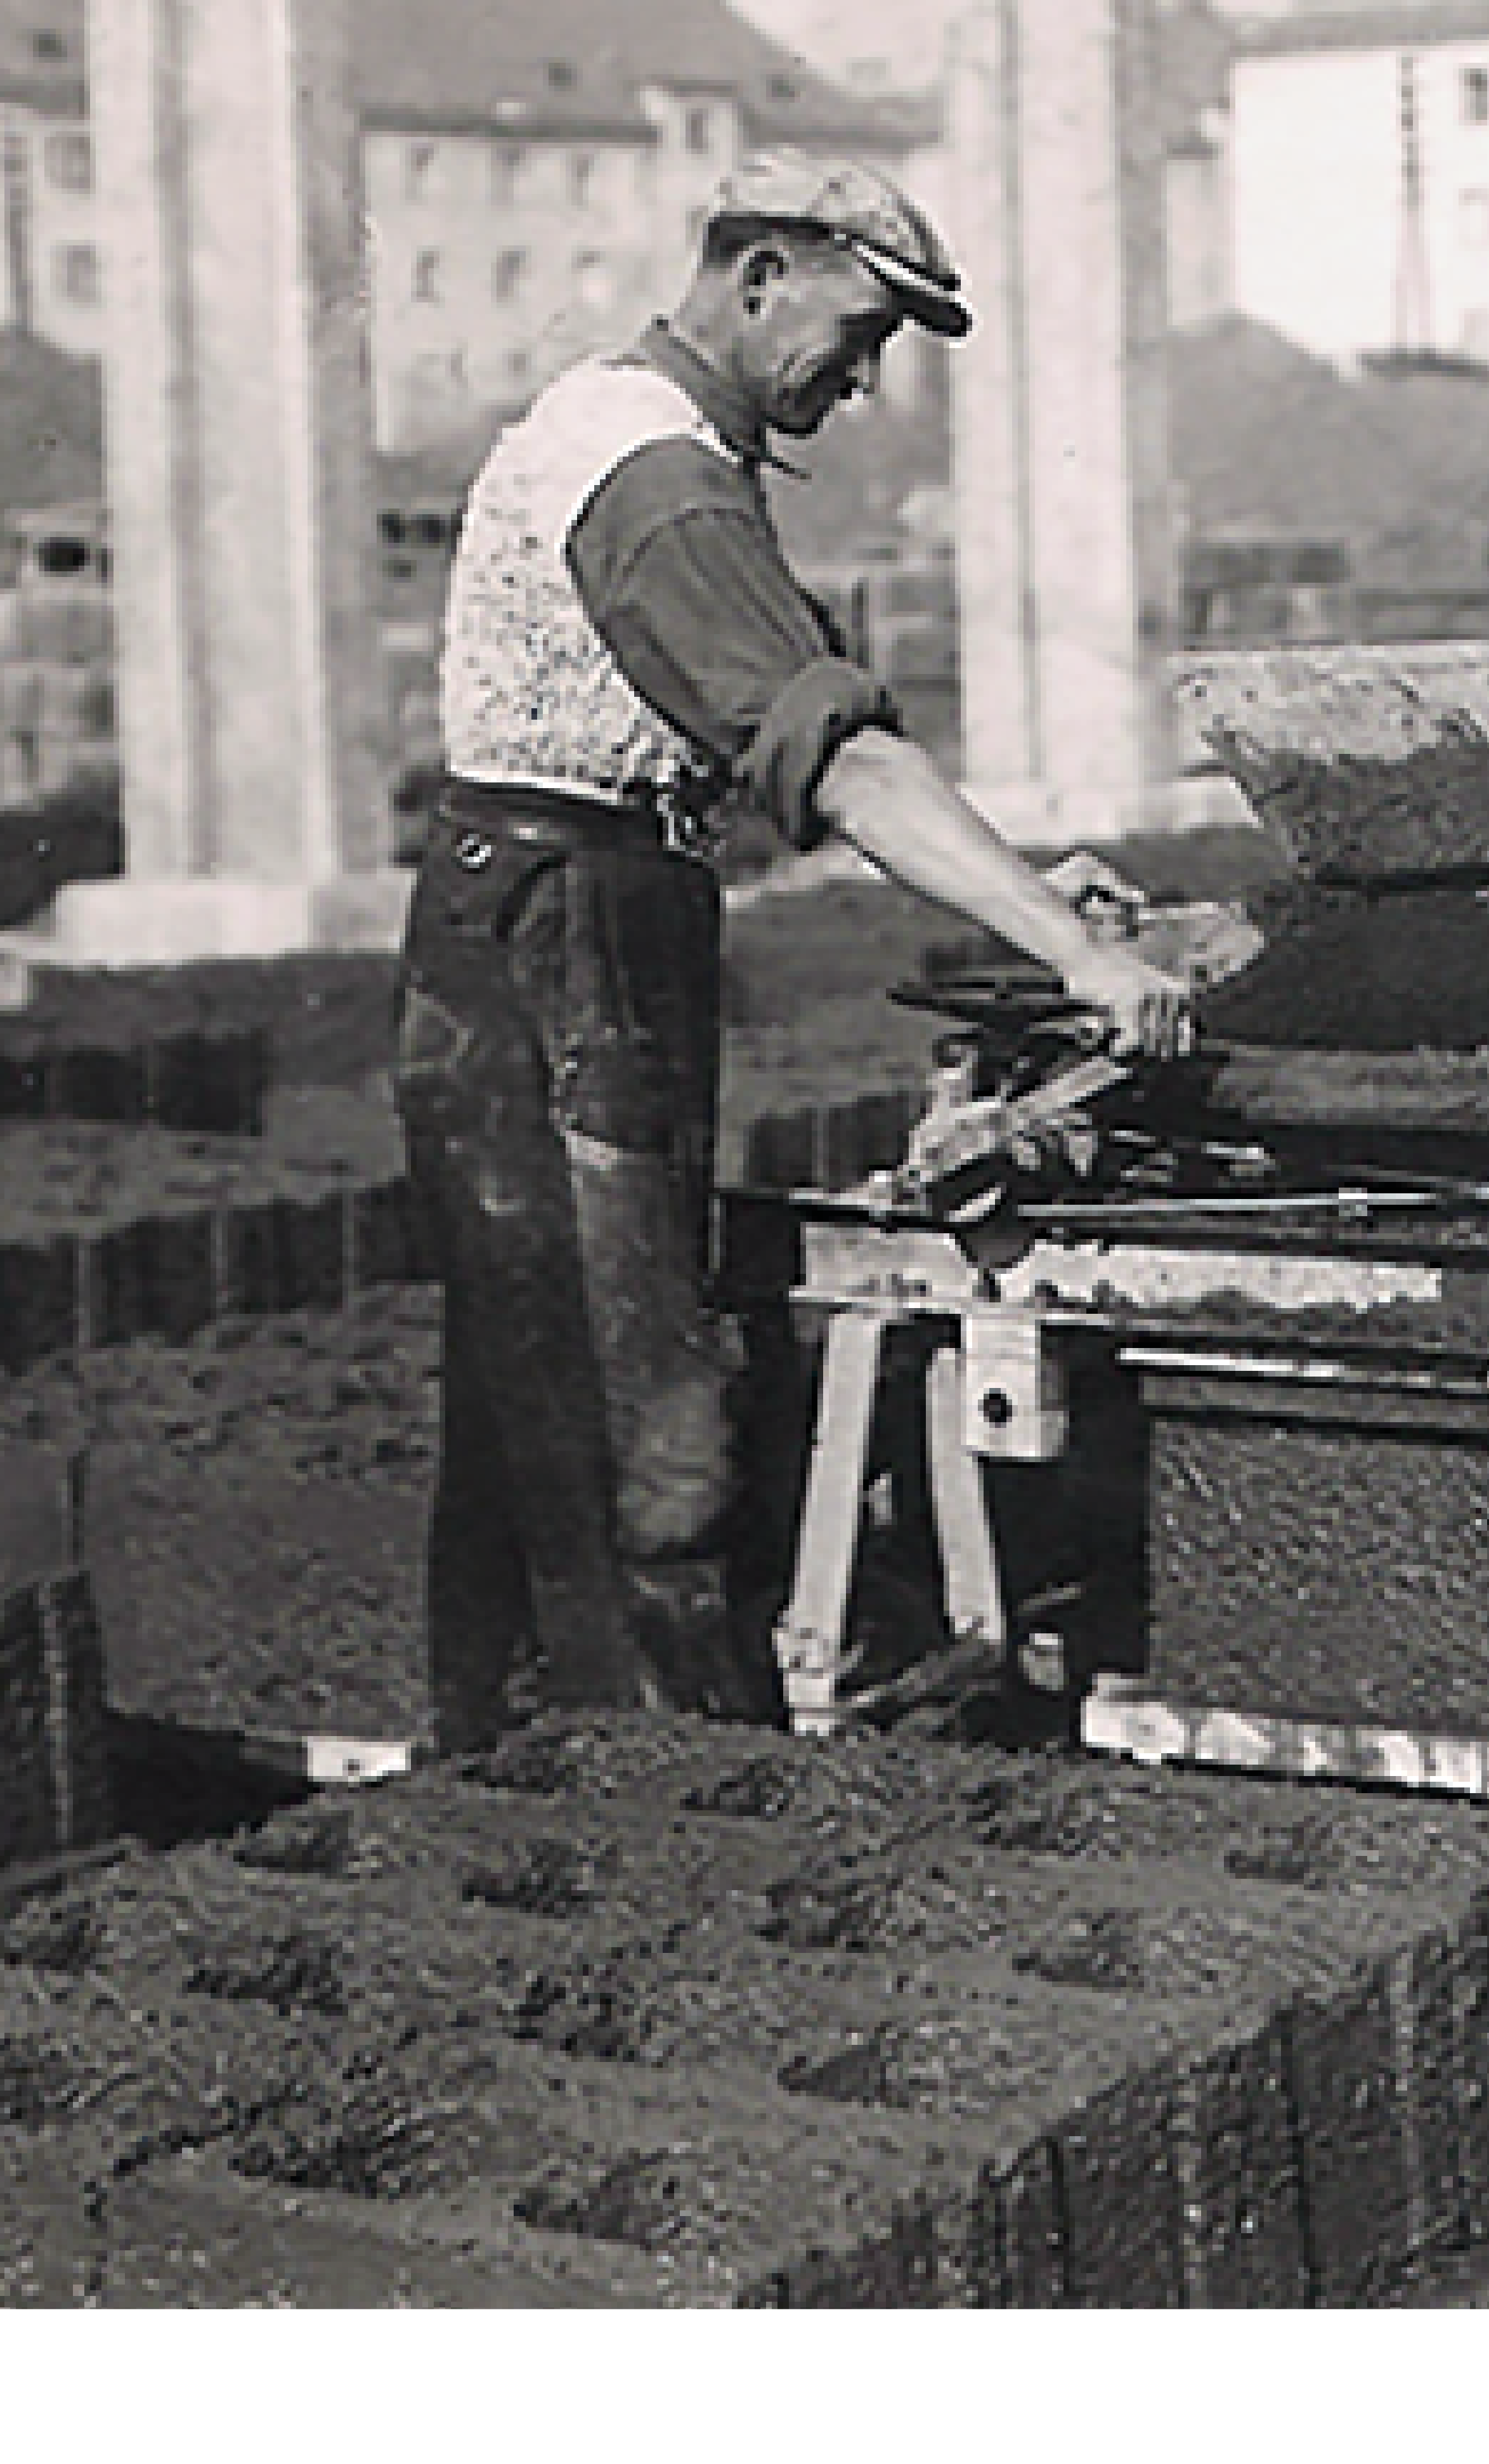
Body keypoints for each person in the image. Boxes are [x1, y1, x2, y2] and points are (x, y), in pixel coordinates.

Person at [398, 150, 1188, 1753]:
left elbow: (806, 742)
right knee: (646, 1423)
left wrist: (1021, 882)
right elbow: (837, 761)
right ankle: (674, 1798)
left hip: (554, 916)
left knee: (531, 1392)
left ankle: (486, 1767)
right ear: (761, 275)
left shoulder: (644, 435)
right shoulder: (659, 481)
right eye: (864, 328)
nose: (867, 376)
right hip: (565, 940)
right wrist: (1067, 948)